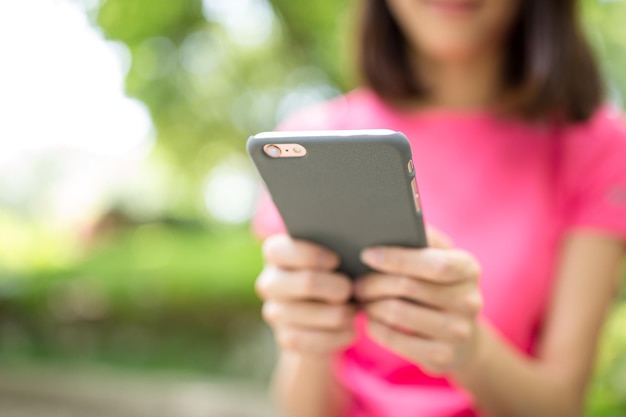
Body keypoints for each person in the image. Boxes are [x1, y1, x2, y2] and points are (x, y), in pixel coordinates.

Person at [252, 0, 626, 416]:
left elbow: (561, 407)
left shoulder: (597, 148)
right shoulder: (314, 137)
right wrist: (310, 337)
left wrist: (470, 349)